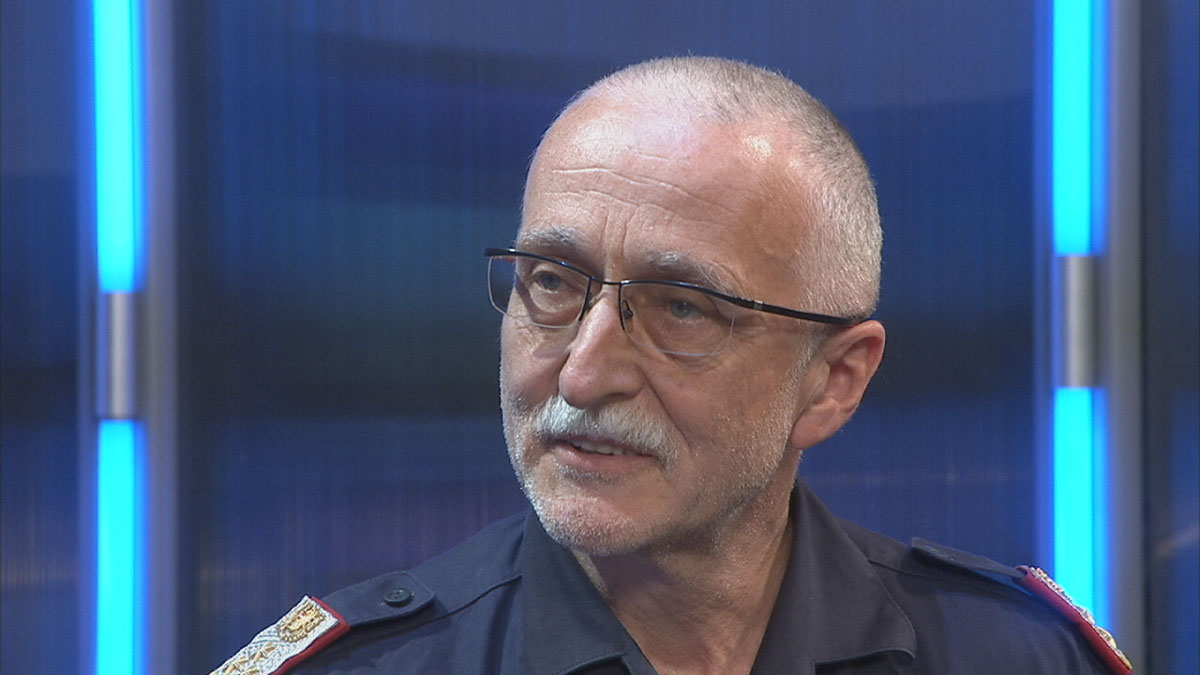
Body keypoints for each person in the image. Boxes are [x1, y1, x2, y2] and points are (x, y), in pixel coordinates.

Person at [212, 56, 1130, 675]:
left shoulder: (1016, 654)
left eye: (683, 307)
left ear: (835, 379)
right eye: (550, 282)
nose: (582, 377)